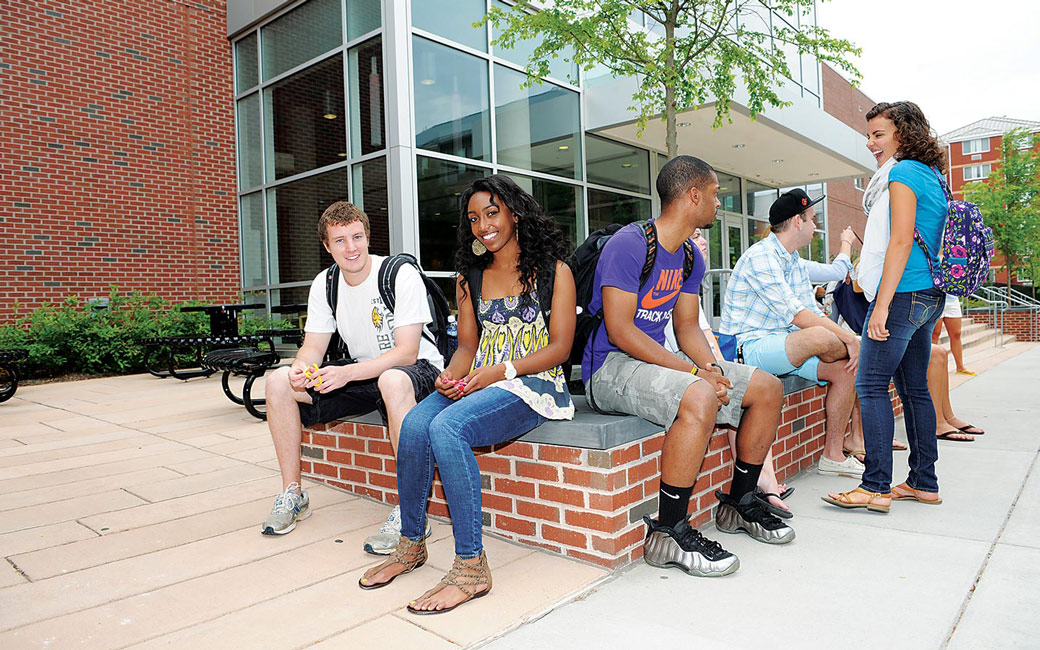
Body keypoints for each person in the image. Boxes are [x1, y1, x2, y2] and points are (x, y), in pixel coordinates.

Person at [358, 175, 576, 613]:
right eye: (474, 217)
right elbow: (466, 347)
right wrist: (449, 377)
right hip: (479, 375)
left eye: (492, 213)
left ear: (514, 212)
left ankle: (471, 565)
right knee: (418, 422)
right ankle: (412, 543)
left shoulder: (555, 269)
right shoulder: (469, 277)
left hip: (532, 383)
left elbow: (560, 348)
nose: (483, 225)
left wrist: (503, 370)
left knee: (448, 428)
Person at [586, 155, 793, 579]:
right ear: (693, 195)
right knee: (698, 393)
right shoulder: (628, 244)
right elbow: (621, 330)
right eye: (715, 195)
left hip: (655, 361)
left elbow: (686, 328)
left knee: (766, 388)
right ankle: (669, 530)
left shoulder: (688, 258)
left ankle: (740, 502)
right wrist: (694, 377)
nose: (719, 204)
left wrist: (712, 368)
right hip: (608, 368)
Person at [260, 201, 444, 550]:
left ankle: (412, 512)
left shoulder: (397, 273)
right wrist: (302, 369)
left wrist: (346, 374)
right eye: (340, 240)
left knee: (391, 378)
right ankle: (293, 494)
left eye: (357, 237)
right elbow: (313, 347)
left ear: (368, 237)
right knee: (277, 381)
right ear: (327, 246)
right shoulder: (325, 283)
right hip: (363, 373)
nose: (351, 248)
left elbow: (406, 351)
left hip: (417, 368)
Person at [824, 101, 948, 512]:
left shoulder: (904, 172)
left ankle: (875, 485)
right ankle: (922, 481)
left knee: (870, 385)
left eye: (879, 134)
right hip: (930, 296)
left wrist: (881, 307)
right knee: (915, 390)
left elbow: (900, 241)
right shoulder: (934, 176)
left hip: (903, 295)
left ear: (904, 134)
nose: (870, 142)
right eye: (870, 134)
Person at [720, 190, 865, 480]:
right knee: (823, 338)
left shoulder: (794, 261)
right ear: (797, 222)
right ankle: (861, 351)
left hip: (786, 345)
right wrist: (851, 340)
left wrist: (852, 344)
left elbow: (813, 311)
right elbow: (798, 316)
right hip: (748, 348)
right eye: (812, 220)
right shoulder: (761, 256)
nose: (815, 226)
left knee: (845, 372)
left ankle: (833, 455)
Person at [666, 229, 793, 518]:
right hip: (674, 365)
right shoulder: (673, 277)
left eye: (703, 237)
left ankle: (755, 484)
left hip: (694, 361)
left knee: (754, 388)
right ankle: (761, 483)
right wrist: (719, 373)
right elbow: (693, 340)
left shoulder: (690, 280)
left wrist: (723, 371)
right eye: (696, 236)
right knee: (733, 395)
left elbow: (706, 338)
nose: (703, 242)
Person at [933, 295, 976, 375]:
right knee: (935, 334)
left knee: (956, 334)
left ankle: (960, 367)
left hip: (952, 300)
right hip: (935, 298)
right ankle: (931, 367)